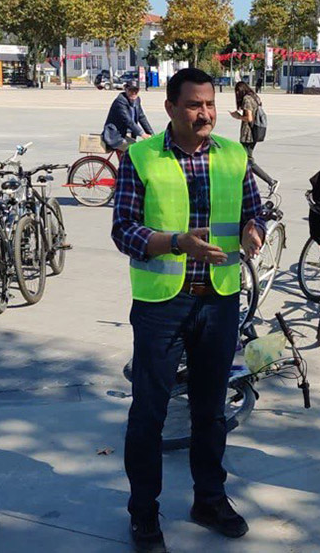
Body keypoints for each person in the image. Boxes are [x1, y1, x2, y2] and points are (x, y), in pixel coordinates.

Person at [111, 68, 266, 553]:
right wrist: (175, 243)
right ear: (171, 108)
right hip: (162, 305)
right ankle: (143, 513)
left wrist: (252, 231)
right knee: (150, 413)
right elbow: (123, 230)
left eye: (211, 105)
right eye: (195, 105)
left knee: (210, 410)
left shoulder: (234, 155)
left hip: (219, 301)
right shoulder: (141, 157)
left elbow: (251, 210)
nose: (206, 114)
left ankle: (210, 498)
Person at [230, 81, 277, 190]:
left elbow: (249, 118)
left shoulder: (246, 99)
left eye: (237, 91)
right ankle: (243, 184)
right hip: (254, 133)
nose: (236, 93)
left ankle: (271, 181)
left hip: (248, 135)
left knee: (247, 161)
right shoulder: (254, 97)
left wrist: (237, 116)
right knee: (245, 160)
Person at [102, 79, 154, 152]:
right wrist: (142, 134)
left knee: (137, 149)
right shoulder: (120, 101)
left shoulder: (137, 100)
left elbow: (141, 117)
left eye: (136, 90)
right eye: (131, 90)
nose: (133, 93)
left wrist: (152, 134)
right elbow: (128, 120)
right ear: (125, 89)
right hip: (115, 136)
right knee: (135, 151)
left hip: (125, 134)